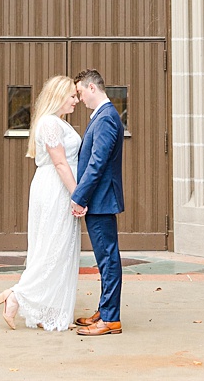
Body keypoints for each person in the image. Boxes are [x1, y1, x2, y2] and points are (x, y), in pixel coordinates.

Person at [0, 74, 82, 331]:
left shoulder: (56, 122)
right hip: (56, 188)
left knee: (58, 249)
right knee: (51, 249)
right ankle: (17, 295)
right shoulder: (50, 124)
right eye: (72, 96)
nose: (76, 100)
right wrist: (77, 195)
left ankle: (44, 310)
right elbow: (60, 163)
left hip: (57, 186)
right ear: (58, 96)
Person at [70, 67, 126, 336]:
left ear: (92, 88)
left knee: (108, 259)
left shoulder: (105, 118)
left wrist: (79, 196)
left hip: (101, 199)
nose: (79, 98)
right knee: (105, 258)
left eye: (80, 92)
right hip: (100, 199)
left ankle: (111, 319)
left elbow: (98, 162)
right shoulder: (103, 116)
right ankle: (105, 310)